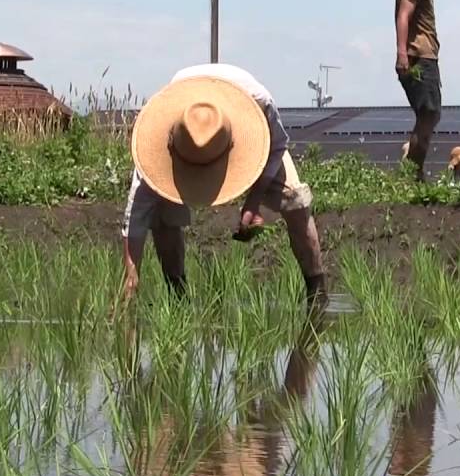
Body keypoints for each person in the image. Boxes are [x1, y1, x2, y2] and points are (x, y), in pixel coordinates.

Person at [121, 63, 326, 304]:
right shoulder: (164, 129)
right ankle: (178, 297)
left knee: (296, 202)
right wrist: (131, 278)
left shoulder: (259, 102)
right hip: (186, 144)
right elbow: (136, 215)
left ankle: (317, 292)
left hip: (253, 138)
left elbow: (277, 146)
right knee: (162, 214)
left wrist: (253, 203)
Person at [395, 0, 460, 180]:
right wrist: (402, 53)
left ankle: (412, 165)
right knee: (428, 115)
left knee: (429, 115)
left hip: (423, 55)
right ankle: (412, 175)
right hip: (418, 55)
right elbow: (404, 15)